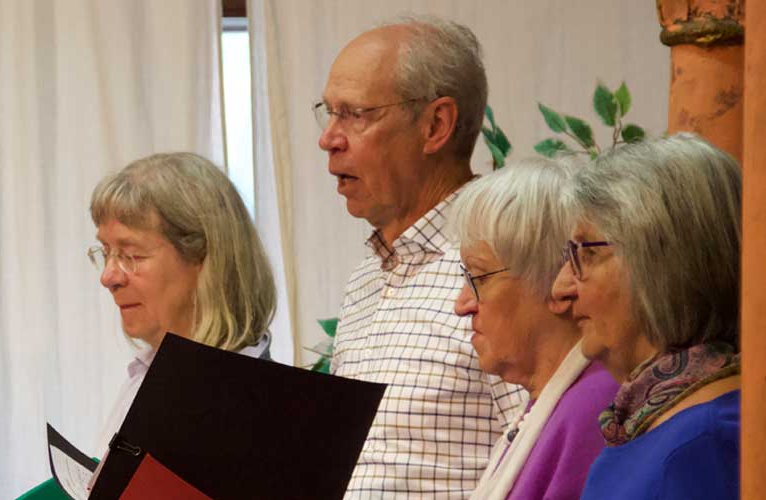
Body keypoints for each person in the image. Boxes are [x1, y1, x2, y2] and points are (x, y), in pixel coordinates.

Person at [317, 15, 526, 496]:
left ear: (435, 126)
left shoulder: (504, 265)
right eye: (328, 113)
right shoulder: (367, 275)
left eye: (354, 114)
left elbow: (545, 452)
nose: (328, 138)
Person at [553, 133, 741, 500]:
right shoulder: (651, 422)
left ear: (664, 261)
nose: (561, 287)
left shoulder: (705, 442)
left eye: (587, 254)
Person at [450, 158, 618, 499]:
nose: (462, 304)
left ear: (556, 280)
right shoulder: (554, 403)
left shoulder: (592, 409)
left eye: (478, 277)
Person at [88, 152, 276, 453]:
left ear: (206, 257)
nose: (108, 277)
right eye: (106, 252)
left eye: (131, 255)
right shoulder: (144, 376)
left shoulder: (259, 405)